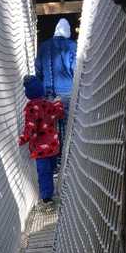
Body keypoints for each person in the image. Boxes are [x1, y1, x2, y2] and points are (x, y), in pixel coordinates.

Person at [18, 76, 64, 206]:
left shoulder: (31, 109)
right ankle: (53, 189)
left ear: (27, 94)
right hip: (53, 147)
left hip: (40, 149)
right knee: (51, 169)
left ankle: (47, 198)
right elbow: (59, 113)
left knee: (43, 173)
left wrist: (21, 140)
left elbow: (30, 129)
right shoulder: (48, 105)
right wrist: (58, 102)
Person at [35, 18, 77, 157]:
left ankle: (54, 156)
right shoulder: (72, 46)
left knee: (51, 127)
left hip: (48, 94)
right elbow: (75, 68)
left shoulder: (43, 46)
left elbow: (39, 70)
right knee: (67, 125)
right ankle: (66, 157)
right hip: (68, 93)